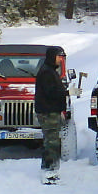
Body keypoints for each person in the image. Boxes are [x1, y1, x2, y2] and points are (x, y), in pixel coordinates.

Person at [34, 46, 69, 184]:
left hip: (51, 111)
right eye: (59, 57)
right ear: (52, 57)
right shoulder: (47, 72)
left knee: (52, 140)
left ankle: (51, 170)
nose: (61, 60)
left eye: (62, 57)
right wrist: (67, 92)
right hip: (48, 112)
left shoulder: (51, 71)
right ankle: (49, 172)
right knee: (51, 142)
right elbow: (51, 93)